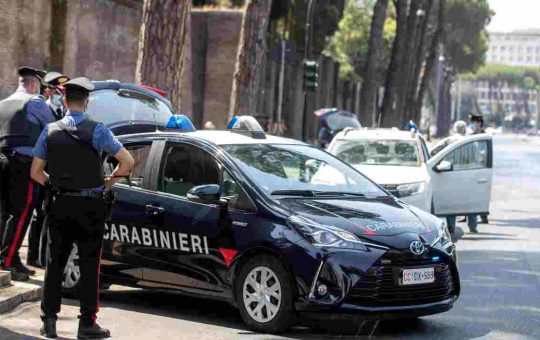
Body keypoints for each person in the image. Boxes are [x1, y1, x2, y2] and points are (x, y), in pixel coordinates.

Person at [31, 77, 134, 339]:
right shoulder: (98, 130)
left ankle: (50, 322)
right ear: (86, 103)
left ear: (64, 102)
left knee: (55, 263)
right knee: (90, 264)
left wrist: (53, 184)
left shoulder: (50, 130)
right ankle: (87, 324)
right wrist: (108, 183)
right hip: (90, 205)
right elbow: (128, 162)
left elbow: (35, 172)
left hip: (60, 203)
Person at [0, 66, 55, 281]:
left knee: (5, 212)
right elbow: (54, 127)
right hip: (23, 164)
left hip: (2, 160)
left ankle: (10, 258)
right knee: (22, 211)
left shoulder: (3, 103)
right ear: (34, 85)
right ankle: (7, 258)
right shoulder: (35, 102)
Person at [26, 72, 71, 268]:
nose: (61, 94)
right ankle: (32, 255)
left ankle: (44, 255)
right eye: (57, 91)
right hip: (40, 168)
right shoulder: (40, 110)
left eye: (63, 91)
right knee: (37, 213)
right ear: (48, 91)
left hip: (56, 170)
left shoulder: (63, 112)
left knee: (48, 212)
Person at [430, 121, 478, 234]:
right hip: (468, 175)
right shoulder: (471, 142)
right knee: (470, 201)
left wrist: (441, 160)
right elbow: (478, 158)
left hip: (451, 173)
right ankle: (472, 226)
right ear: (465, 129)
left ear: (455, 129)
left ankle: (451, 227)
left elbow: (433, 151)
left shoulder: (449, 140)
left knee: (452, 200)